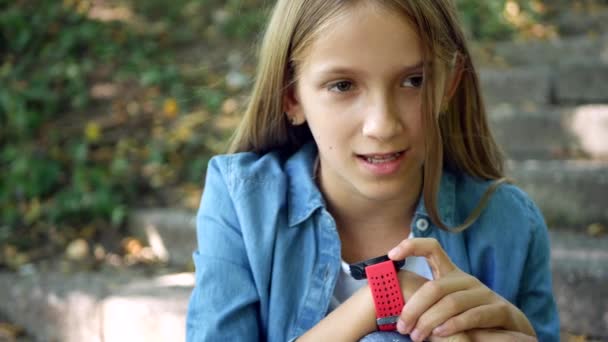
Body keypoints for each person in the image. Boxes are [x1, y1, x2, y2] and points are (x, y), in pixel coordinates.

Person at [186, 0, 560, 341]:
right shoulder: (243, 202)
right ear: (292, 97)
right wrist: (384, 295)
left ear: (449, 84)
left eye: (414, 81)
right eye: (343, 85)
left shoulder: (511, 223)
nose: (382, 125)